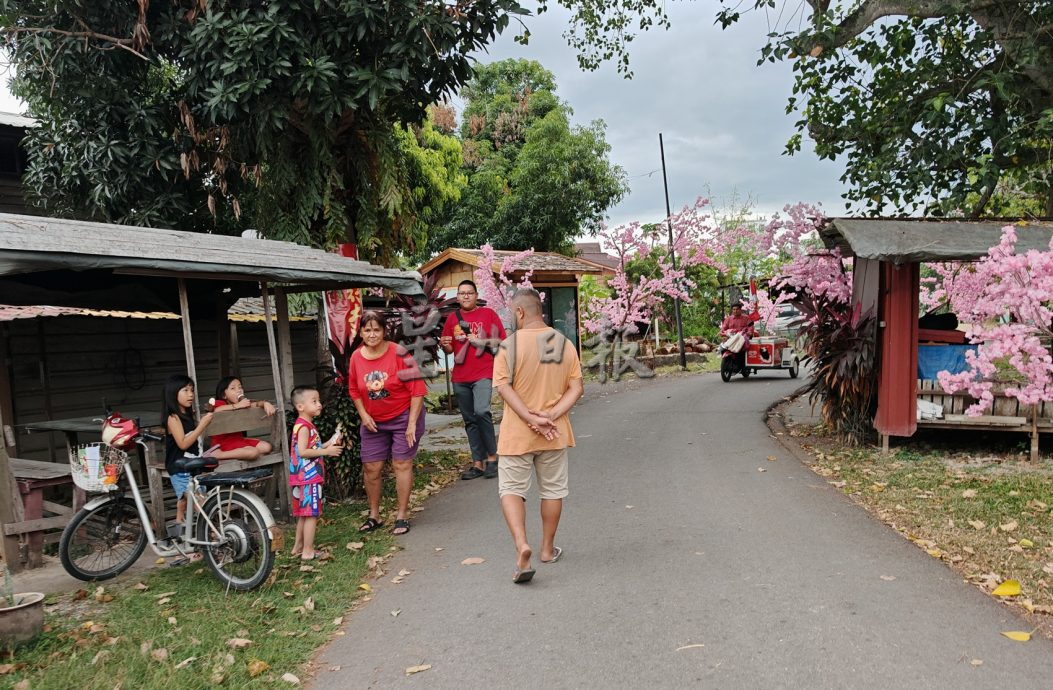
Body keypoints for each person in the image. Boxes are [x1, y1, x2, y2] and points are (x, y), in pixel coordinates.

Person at [492, 289, 583, 584]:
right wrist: (550, 416)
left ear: (519, 312)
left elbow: (504, 388)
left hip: (517, 434)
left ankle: (522, 545)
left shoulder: (509, 346)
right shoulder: (563, 343)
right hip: (553, 433)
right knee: (553, 490)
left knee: (511, 490)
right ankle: (546, 548)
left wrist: (530, 418)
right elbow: (576, 388)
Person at [348, 311, 427, 536]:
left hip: (403, 415)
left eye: (376, 330)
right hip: (373, 421)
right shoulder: (356, 357)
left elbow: (417, 390)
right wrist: (363, 414)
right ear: (361, 332)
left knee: (402, 464)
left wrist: (411, 423)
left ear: (384, 331)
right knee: (371, 467)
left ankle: (401, 515)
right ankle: (374, 515)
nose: (372, 334)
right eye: (367, 330)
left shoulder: (399, 353)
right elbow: (354, 389)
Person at [439, 280, 506, 480]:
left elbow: (501, 341)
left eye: (469, 293)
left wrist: (481, 341)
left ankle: (492, 458)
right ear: (457, 297)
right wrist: (444, 345)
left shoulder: (488, 315)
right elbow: (449, 349)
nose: (466, 296)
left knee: (482, 411)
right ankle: (477, 463)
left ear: (476, 295)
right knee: (470, 420)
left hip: (483, 371)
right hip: (460, 375)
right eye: (462, 293)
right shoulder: (452, 319)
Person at [289, 385, 342, 560]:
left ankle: (297, 547)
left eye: (319, 401)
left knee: (304, 515)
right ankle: (308, 551)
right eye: (314, 401)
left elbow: (314, 447)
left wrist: (330, 443)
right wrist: (327, 452)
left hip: (302, 477)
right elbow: (303, 452)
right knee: (311, 515)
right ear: (300, 407)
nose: (319, 404)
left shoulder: (304, 425)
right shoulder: (304, 427)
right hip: (309, 478)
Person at [161, 374, 214, 539]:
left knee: (188, 498)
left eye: (192, 390)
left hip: (191, 464)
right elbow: (182, 443)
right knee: (199, 501)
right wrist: (203, 425)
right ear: (173, 393)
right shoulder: (173, 418)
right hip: (179, 467)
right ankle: (215, 533)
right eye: (185, 390)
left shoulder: (187, 415)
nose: (191, 394)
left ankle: (180, 528)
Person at [209, 376, 276, 462]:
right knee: (253, 452)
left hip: (238, 439)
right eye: (233, 388)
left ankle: (244, 452)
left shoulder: (242, 403)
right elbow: (217, 410)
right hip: (222, 443)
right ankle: (219, 454)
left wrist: (265, 403)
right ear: (224, 395)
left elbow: (255, 404)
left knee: (267, 447)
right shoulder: (220, 403)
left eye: (240, 387)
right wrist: (238, 406)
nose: (239, 390)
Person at [720, 302, 756, 370]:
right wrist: (722, 332)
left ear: (740, 310)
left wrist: (749, 332)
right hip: (731, 337)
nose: (735, 311)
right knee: (724, 346)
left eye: (737, 309)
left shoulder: (746, 318)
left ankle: (741, 365)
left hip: (742, 338)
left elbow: (751, 327)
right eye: (733, 309)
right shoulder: (728, 319)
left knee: (740, 350)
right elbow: (724, 328)